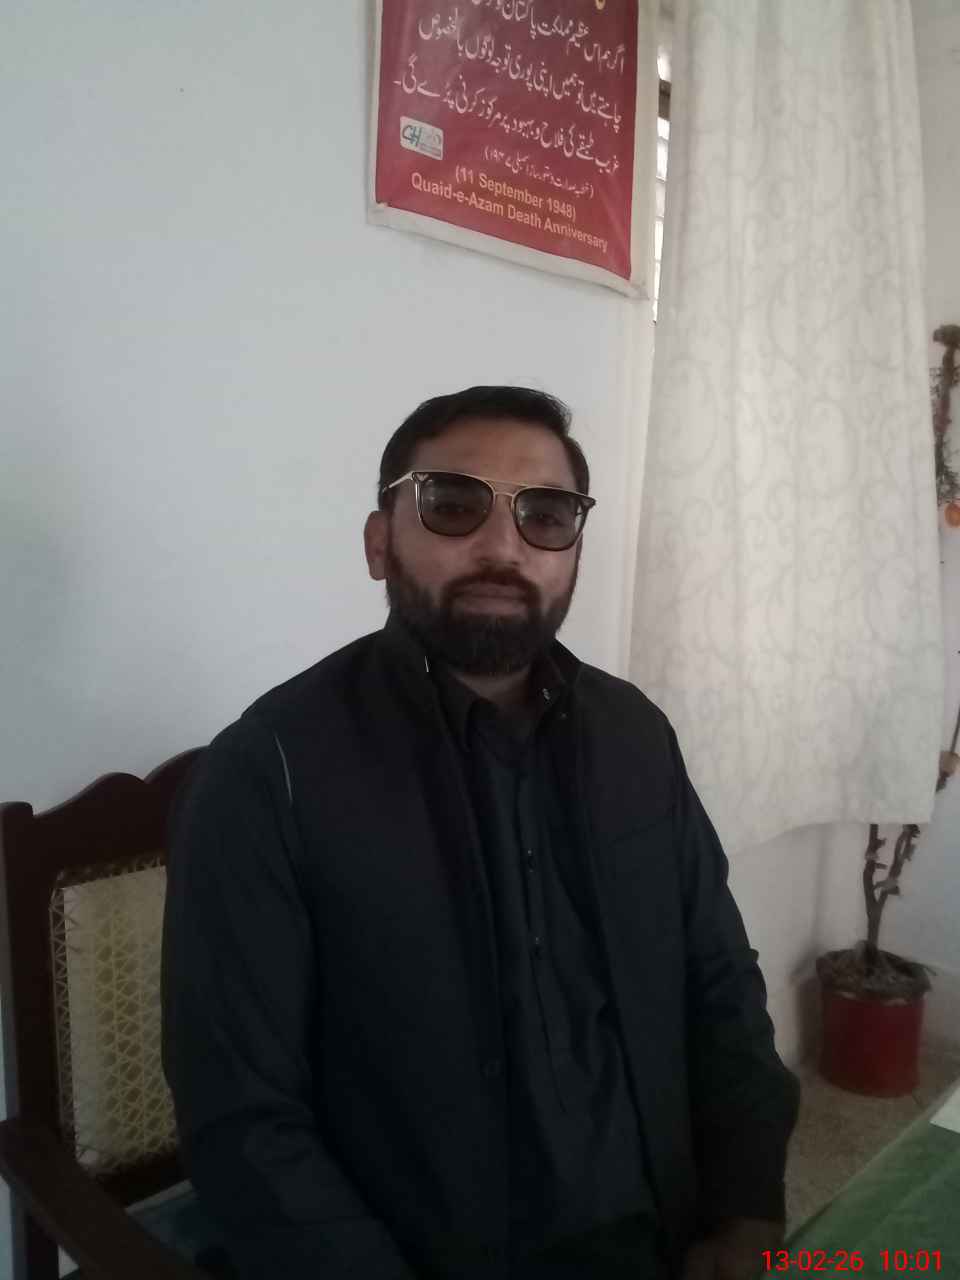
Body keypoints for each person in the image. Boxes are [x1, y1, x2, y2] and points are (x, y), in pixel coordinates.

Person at [161, 385, 799, 1280]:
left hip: (663, 1224)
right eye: (454, 504)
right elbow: (242, 1115)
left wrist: (745, 1206)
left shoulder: (635, 736)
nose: (504, 546)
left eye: (547, 514)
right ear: (379, 543)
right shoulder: (269, 771)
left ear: (574, 549)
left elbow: (719, 980)